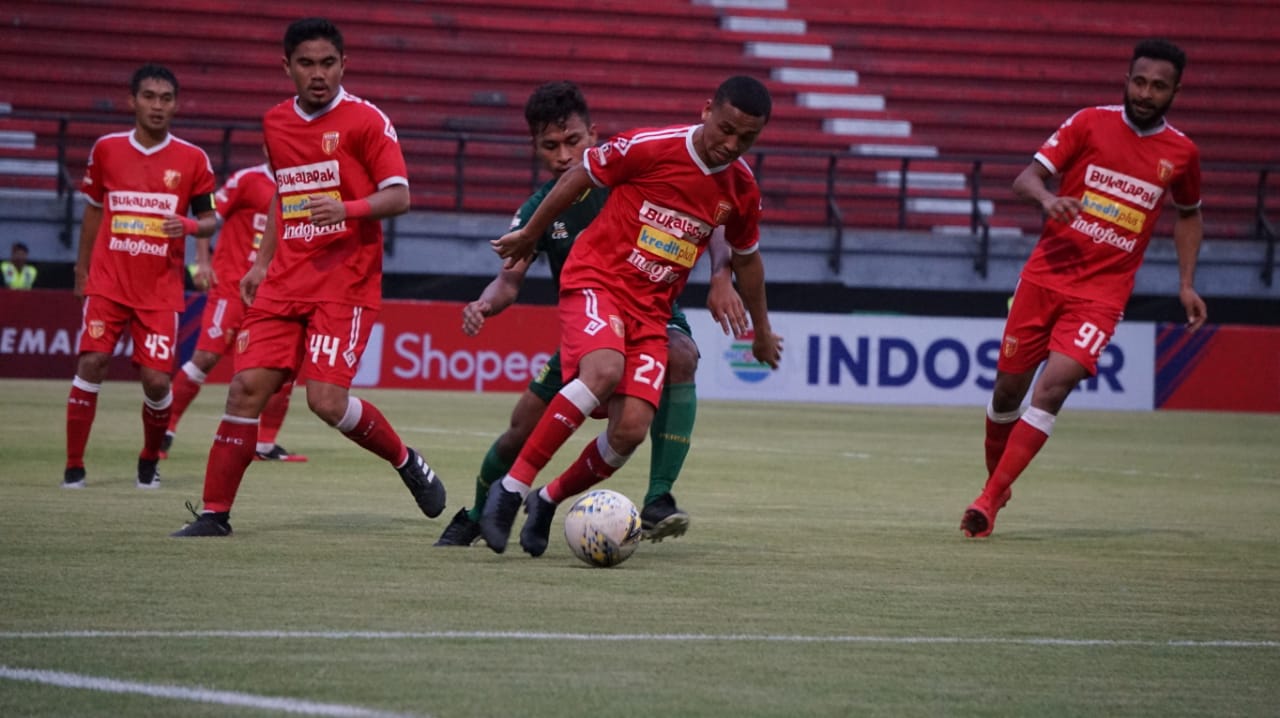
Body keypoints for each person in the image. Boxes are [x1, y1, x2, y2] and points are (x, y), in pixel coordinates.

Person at [434, 82, 748, 548]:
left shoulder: (627, 170)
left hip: (651, 309)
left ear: (593, 135)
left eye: (573, 142)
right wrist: (485, 303)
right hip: (593, 314)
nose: (564, 155)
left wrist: (721, 272)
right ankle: (478, 512)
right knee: (520, 429)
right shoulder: (539, 209)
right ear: (534, 148)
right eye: (550, 146)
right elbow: (508, 280)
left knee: (680, 355)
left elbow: (715, 212)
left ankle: (658, 496)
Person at [172, 17, 445, 537]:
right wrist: (259, 263)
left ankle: (406, 460)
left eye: (327, 63)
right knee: (245, 389)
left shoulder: (367, 121)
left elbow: (400, 196)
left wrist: (348, 208)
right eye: (306, 64)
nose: (318, 74)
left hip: (346, 282)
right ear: (287, 67)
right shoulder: (275, 122)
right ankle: (214, 515)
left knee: (325, 402)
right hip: (283, 280)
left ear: (344, 64)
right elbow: (283, 195)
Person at [961, 38, 1207, 538]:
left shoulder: (1182, 153)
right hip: (1043, 278)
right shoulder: (1088, 122)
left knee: (1053, 387)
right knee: (1008, 391)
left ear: (1176, 91)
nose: (1146, 92)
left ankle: (987, 501)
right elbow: (1024, 179)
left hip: (1101, 295)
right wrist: (1048, 200)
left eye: (1159, 86)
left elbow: (1189, 214)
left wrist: (1186, 284)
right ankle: (998, 486)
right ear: (1126, 79)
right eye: (1139, 81)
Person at [63, 63, 218, 489]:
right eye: (149, 96)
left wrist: (187, 226)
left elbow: (209, 219)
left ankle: (149, 457)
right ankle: (74, 467)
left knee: (155, 380)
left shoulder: (192, 159)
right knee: (92, 362)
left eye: (166, 99)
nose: (157, 106)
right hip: (108, 282)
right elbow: (93, 213)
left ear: (176, 105)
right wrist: (82, 271)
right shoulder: (107, 150)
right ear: (132, 101)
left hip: (159, 290)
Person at [162, 163, 307, 463]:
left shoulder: (304, 183)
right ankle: (164, 430)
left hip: (276, 292)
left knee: (282, 367)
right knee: (205, 357)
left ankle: (265, 445)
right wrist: (203, 262)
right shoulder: (246, 179)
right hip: (232, 285)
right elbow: (209, 218)